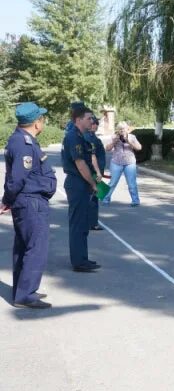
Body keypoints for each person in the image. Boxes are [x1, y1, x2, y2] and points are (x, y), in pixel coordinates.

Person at [2, 102, 57, 308]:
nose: (43, 122)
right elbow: (17, 179)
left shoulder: (23, 140)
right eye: (42, 119)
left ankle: (22, 290)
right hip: (31, 202)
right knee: (35, 249)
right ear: (36, 123)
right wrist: (6, 200)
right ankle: (25, 295)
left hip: (29, 201)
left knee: (25, 247)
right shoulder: (23, 143)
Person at [62, 106, 100, 272]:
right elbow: (80, 164)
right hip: (77, 183)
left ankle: (83, 258)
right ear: (78, 119)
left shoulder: (81, 137)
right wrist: (92, 184)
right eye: (89, 118)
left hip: (81, 183)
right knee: (78, 224)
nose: (92, 121)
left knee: (83, 224)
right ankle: (78, 261)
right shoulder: (73, 137)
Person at [102, 122, 142, 207]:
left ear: (127, 129)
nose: (122, 131)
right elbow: (107, 149)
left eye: (123, 129)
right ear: (118, 130)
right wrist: (113, 142)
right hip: (116, 162)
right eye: (120, 129)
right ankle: (106, 199)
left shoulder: (132, 137)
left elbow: (139, 147)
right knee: (112, 182)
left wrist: (129, 142)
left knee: (132, 183)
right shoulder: (114, 137)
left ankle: (135, 201)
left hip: (129, 163)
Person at [86, 116, 105, 230]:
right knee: (92, 198)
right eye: (94, 124)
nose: (96, 126)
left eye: (97, 124)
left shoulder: (93, 137)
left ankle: (89, 221)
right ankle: (92, 223)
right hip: (93, 172)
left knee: (91, 197)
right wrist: (98, 172)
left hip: (94, 171)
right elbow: (92, 157)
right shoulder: (90, 138)